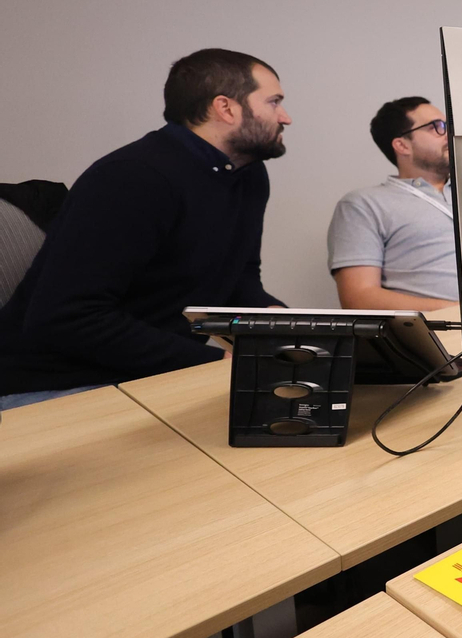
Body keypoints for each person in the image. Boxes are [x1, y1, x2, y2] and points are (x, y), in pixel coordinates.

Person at [0, 49, 291, 408]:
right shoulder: (133, 177)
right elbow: (67, 318)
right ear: (226, 107)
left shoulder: (247, 176)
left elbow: (238, 282)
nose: (286, 117)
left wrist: (295, 332)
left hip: (149, 375)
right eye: (274, 102)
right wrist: (215, 362)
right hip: (53, 386)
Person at [327, 98, 458, 312]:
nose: (449, 134)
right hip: (437, 335)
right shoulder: (363, 204)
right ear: (402, 145)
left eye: (449, 125)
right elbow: (359, 297)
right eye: (437, 127)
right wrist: (459, 312)